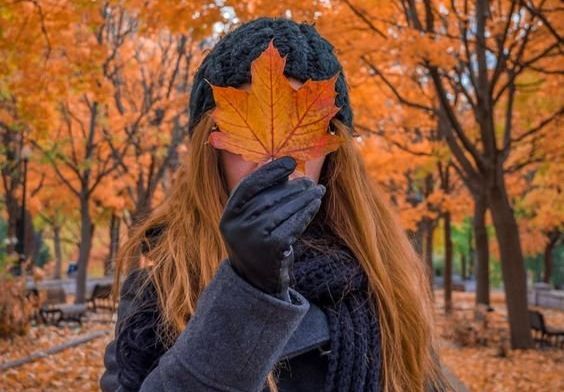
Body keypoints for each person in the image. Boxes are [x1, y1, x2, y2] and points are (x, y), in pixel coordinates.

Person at [100, 16, 451, 392]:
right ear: (210, 150)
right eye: (240, 129)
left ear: (333, 151)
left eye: (299, 131)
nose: (273, 160)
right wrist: (246, 289)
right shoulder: (161, 284)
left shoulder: (385, 281)